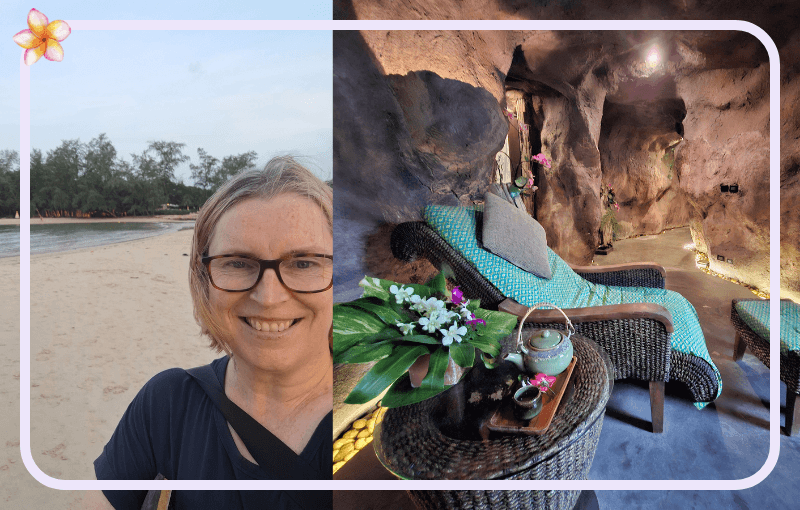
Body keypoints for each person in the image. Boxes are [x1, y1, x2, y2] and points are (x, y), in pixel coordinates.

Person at [84, 156, 333, 509]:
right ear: (204, 281)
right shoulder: (168, 405)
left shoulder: (378, 414)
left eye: (304, 263)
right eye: (237, 263)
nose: (269, 297)